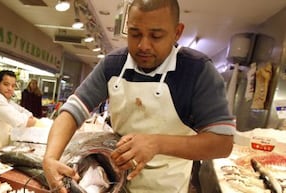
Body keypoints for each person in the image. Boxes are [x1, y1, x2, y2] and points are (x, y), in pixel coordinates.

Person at [42, 0, 236, 192]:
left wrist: (156, 143)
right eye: (135, 34)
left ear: (177, 32)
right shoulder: (113, 65)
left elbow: (222, 143)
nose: (143, 45)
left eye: (156, 36)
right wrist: (50, 158)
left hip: (166, 187)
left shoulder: (197, 71)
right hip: (114, 182)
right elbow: (72, 110)